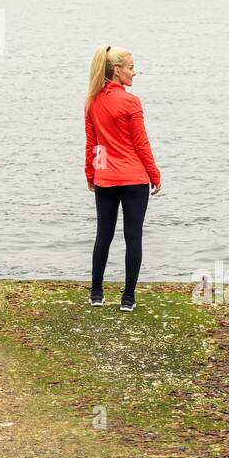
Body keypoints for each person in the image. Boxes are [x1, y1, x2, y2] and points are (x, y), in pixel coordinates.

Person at [83, 45, 161, 311]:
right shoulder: (131, 101)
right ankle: (128, 299)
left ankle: (96, 294)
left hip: (106, 178)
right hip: (134, 178)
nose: (134, 72)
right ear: (117, 71)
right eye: (130, 67)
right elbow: (141, 144)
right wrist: (155, 174)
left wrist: (91, 173)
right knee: (133, 238)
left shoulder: (92, 100)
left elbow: (93, 144)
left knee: (103, 235)